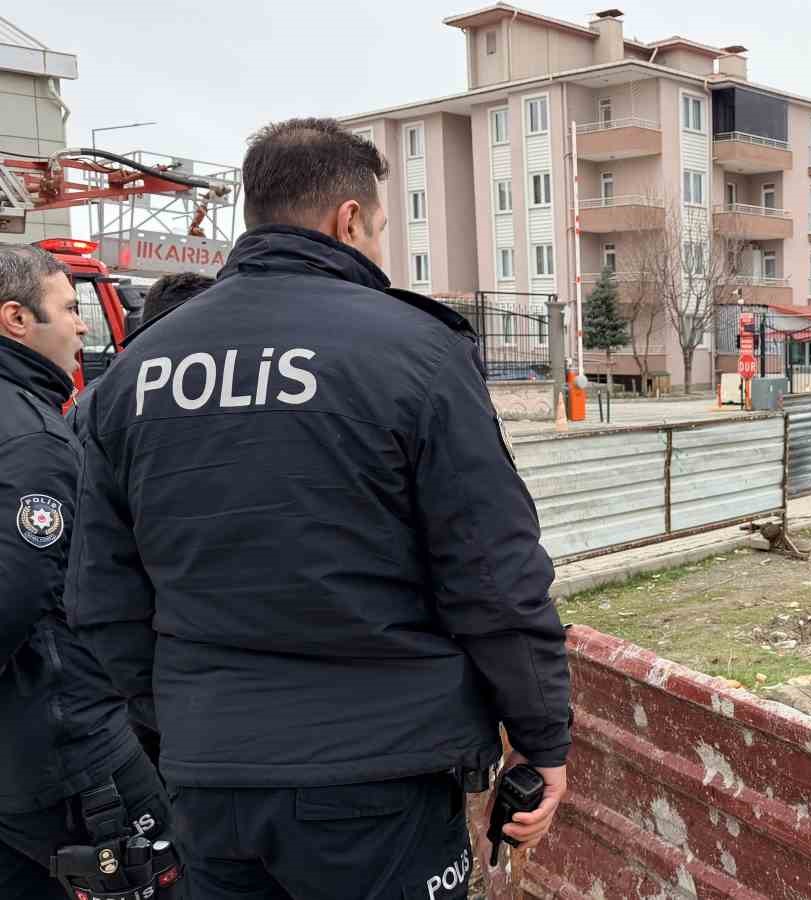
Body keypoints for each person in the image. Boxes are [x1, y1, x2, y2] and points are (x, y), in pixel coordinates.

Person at [65, 118, 571, 897]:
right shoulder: (416, 351)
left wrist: (188, 721)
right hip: (376, 779)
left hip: (209, 779)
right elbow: (493, 573)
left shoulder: (136, 373)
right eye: (379, 227)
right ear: (348, 218)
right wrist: (541, 738)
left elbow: (101, 597)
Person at [0, 246, 183, 897]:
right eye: (71, 309)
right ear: (16, 319)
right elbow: (17, 592)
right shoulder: (33, 438)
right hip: (66, 745)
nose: (83, 327)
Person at [65, 271, 216, 771]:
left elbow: (95, 573)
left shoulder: (99, 402)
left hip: (141, 677)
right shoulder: (218, 401)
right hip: (197, 675)